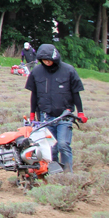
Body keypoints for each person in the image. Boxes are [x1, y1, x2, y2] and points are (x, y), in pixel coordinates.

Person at [24, 43, 88, 172]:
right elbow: (34, 94)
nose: (46, 62)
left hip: (64, 115)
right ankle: (53, 173)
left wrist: (80, 112)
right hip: (45, 116)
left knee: (63, 145)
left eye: (49, 60)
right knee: (50, 147)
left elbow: (76, 93)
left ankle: (67, 174)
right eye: (43, 60)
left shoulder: (68, 70)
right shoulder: (36, 71)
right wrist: (32, 114)